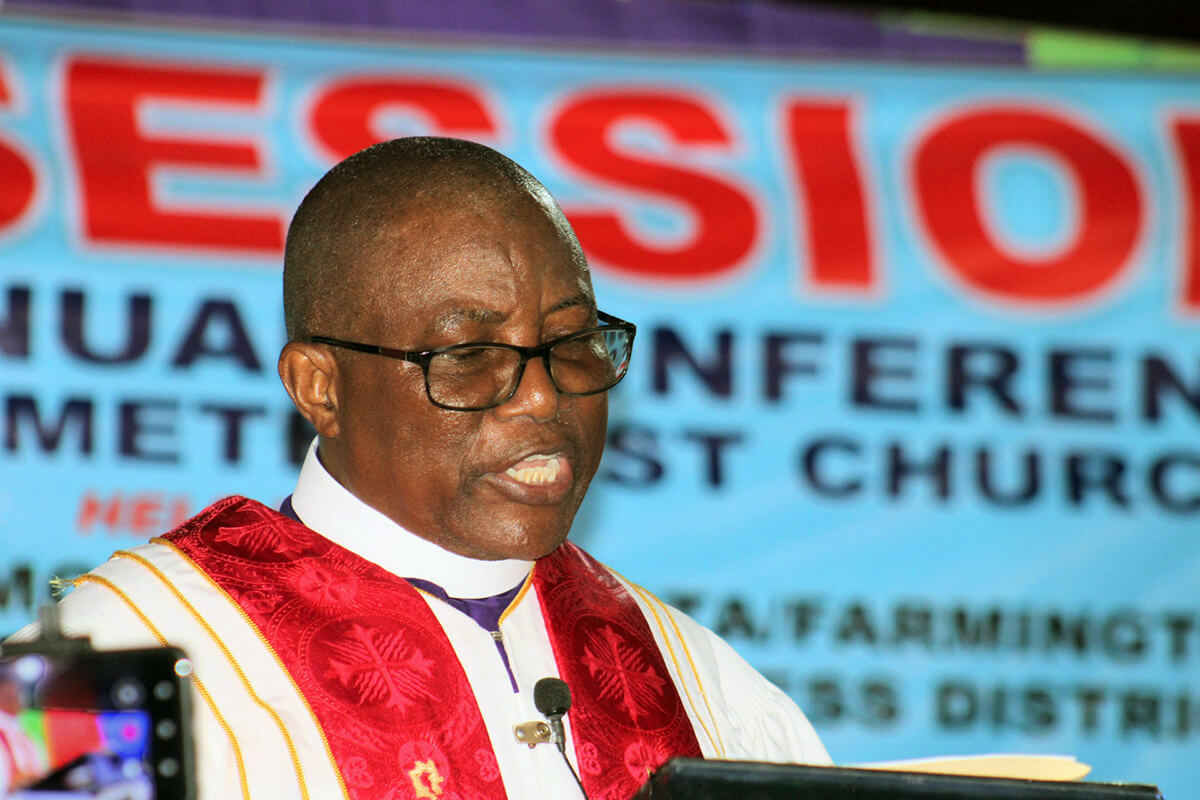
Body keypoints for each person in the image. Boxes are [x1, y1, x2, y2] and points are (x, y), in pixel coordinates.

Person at [15, 137, 828, 799]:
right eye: (470, 354)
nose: (543, 400)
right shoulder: (107, 673)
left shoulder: (697, 685)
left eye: (571, 345)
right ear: (319, 387)